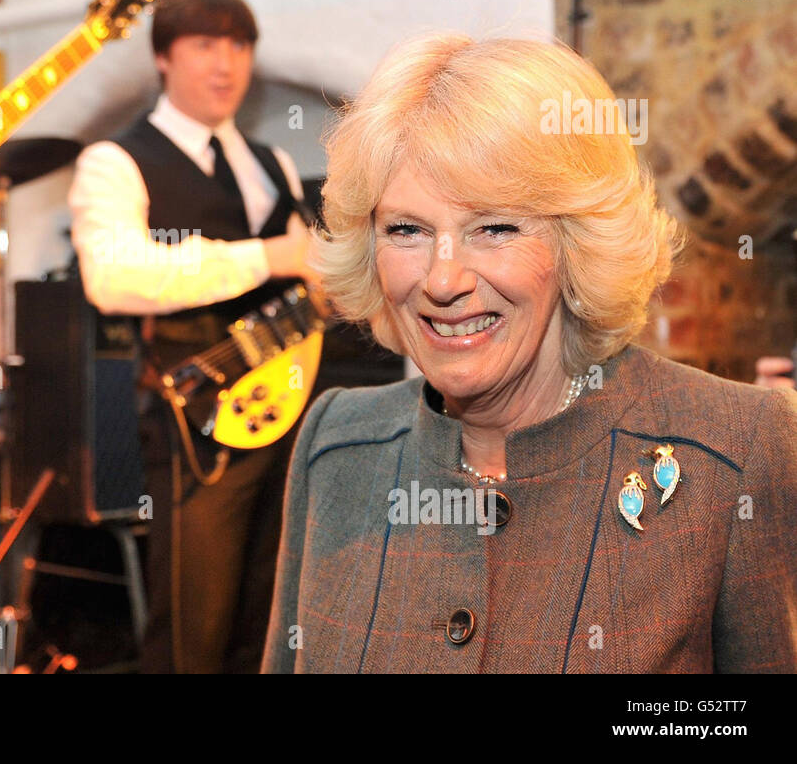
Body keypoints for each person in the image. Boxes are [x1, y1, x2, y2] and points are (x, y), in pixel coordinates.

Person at [262, 33, 797, 673]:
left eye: (495, 227)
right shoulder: (337, 444)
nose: (441, 279)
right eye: (406, 229)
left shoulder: (737, 448)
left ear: (577, 243)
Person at [69, 0, 318, 673]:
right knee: (191, 631)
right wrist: (266, 256)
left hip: (290, 407)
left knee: (270, 617)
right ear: (161, 57)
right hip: (191, 416)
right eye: (205, 44)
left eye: (239, 45)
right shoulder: (114, 161)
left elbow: (307, 276)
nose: (226, 64)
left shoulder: (276, 166)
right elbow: (114, 277)